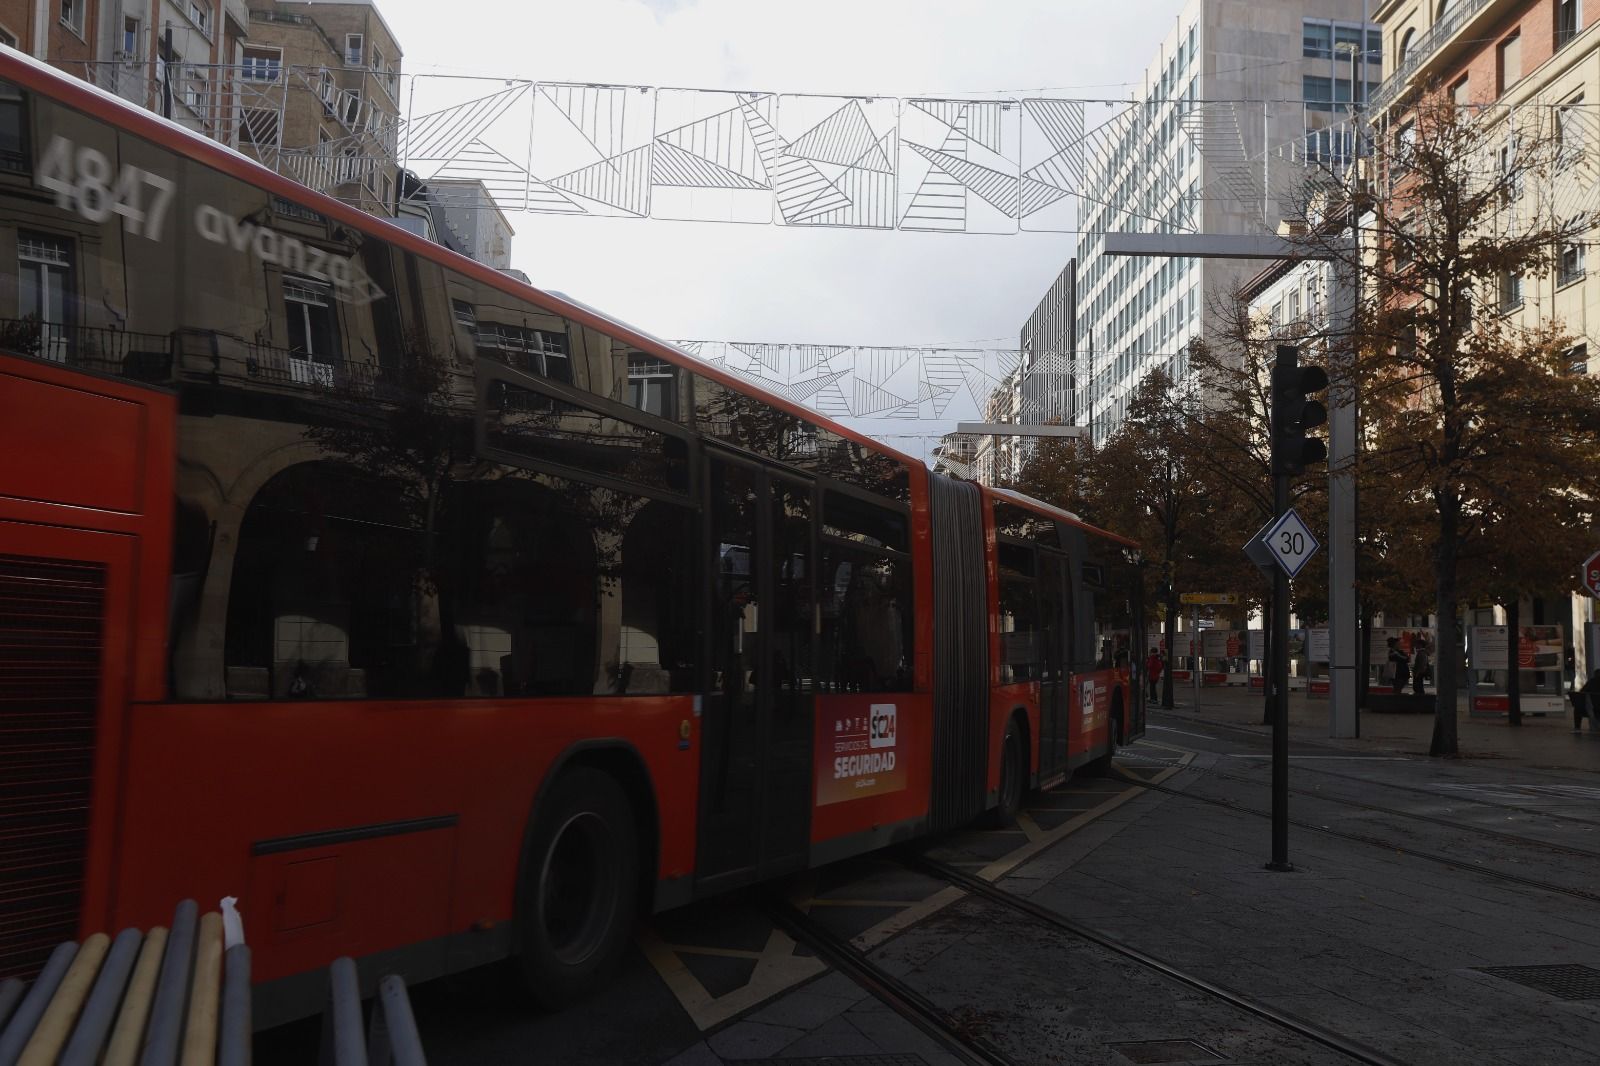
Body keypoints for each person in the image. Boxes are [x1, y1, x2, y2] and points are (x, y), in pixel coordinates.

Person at [1574, 669, 1600, 734]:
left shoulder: (1591, 682)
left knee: (1577, 709)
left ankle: (1577, 727)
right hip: (1597, 709)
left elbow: (1581, 692)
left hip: (1593, 708)